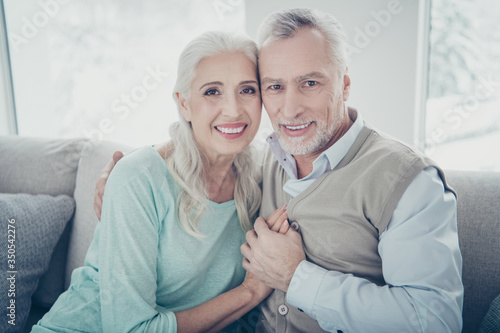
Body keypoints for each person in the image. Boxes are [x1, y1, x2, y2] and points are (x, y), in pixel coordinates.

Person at [95, 8, 464, 333]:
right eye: (274, 86)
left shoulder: (408, 180)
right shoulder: (259, 161)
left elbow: (435, 321)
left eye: (310, 83)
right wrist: (127, 184)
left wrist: (297, 278)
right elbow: (200, 149)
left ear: (345, 84)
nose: (290, 109)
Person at [31, 30, 289, 333]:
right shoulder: (138, 178)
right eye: (211, 92)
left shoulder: (263, 174)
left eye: (247, 90)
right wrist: (248, 293)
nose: (232, 109)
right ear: (184, 104)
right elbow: (131, 330)